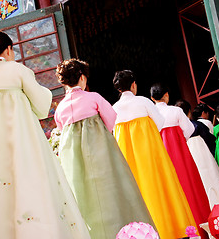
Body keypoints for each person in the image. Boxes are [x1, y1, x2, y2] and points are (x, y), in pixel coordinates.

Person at [0, 31, 91, 239]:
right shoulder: (17, 71)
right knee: (31, 185)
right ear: (8, 50)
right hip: (22, 142)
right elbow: (43, 107)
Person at [54, 59, 155, 239]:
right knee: (114, 188)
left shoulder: (60, 108)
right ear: (82, 78)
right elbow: (111, 120)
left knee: (83, 195)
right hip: (102, 151)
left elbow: (62, 132)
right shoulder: (94, 97)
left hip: (74, 160)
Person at [112, 70, 197, 239]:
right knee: (162, 186)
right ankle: (174, 229)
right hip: (151, 152)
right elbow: (159, 122)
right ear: (133, 84)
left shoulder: (114, 108)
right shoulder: (143, 101)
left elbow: (113, 132)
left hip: (129, 158)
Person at [150, 83, 211, 237]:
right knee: (190, 186)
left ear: (152, 98)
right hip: (181, 154)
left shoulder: (150, 114)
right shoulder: (176, 111)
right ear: (167, 95)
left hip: (162, 157)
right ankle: (200, 227)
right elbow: (189, 130)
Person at [175, 99, 219, 208]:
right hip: (204, 159)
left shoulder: (175, 132)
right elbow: (212, 142)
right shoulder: (198, 126)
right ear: (189, 111)